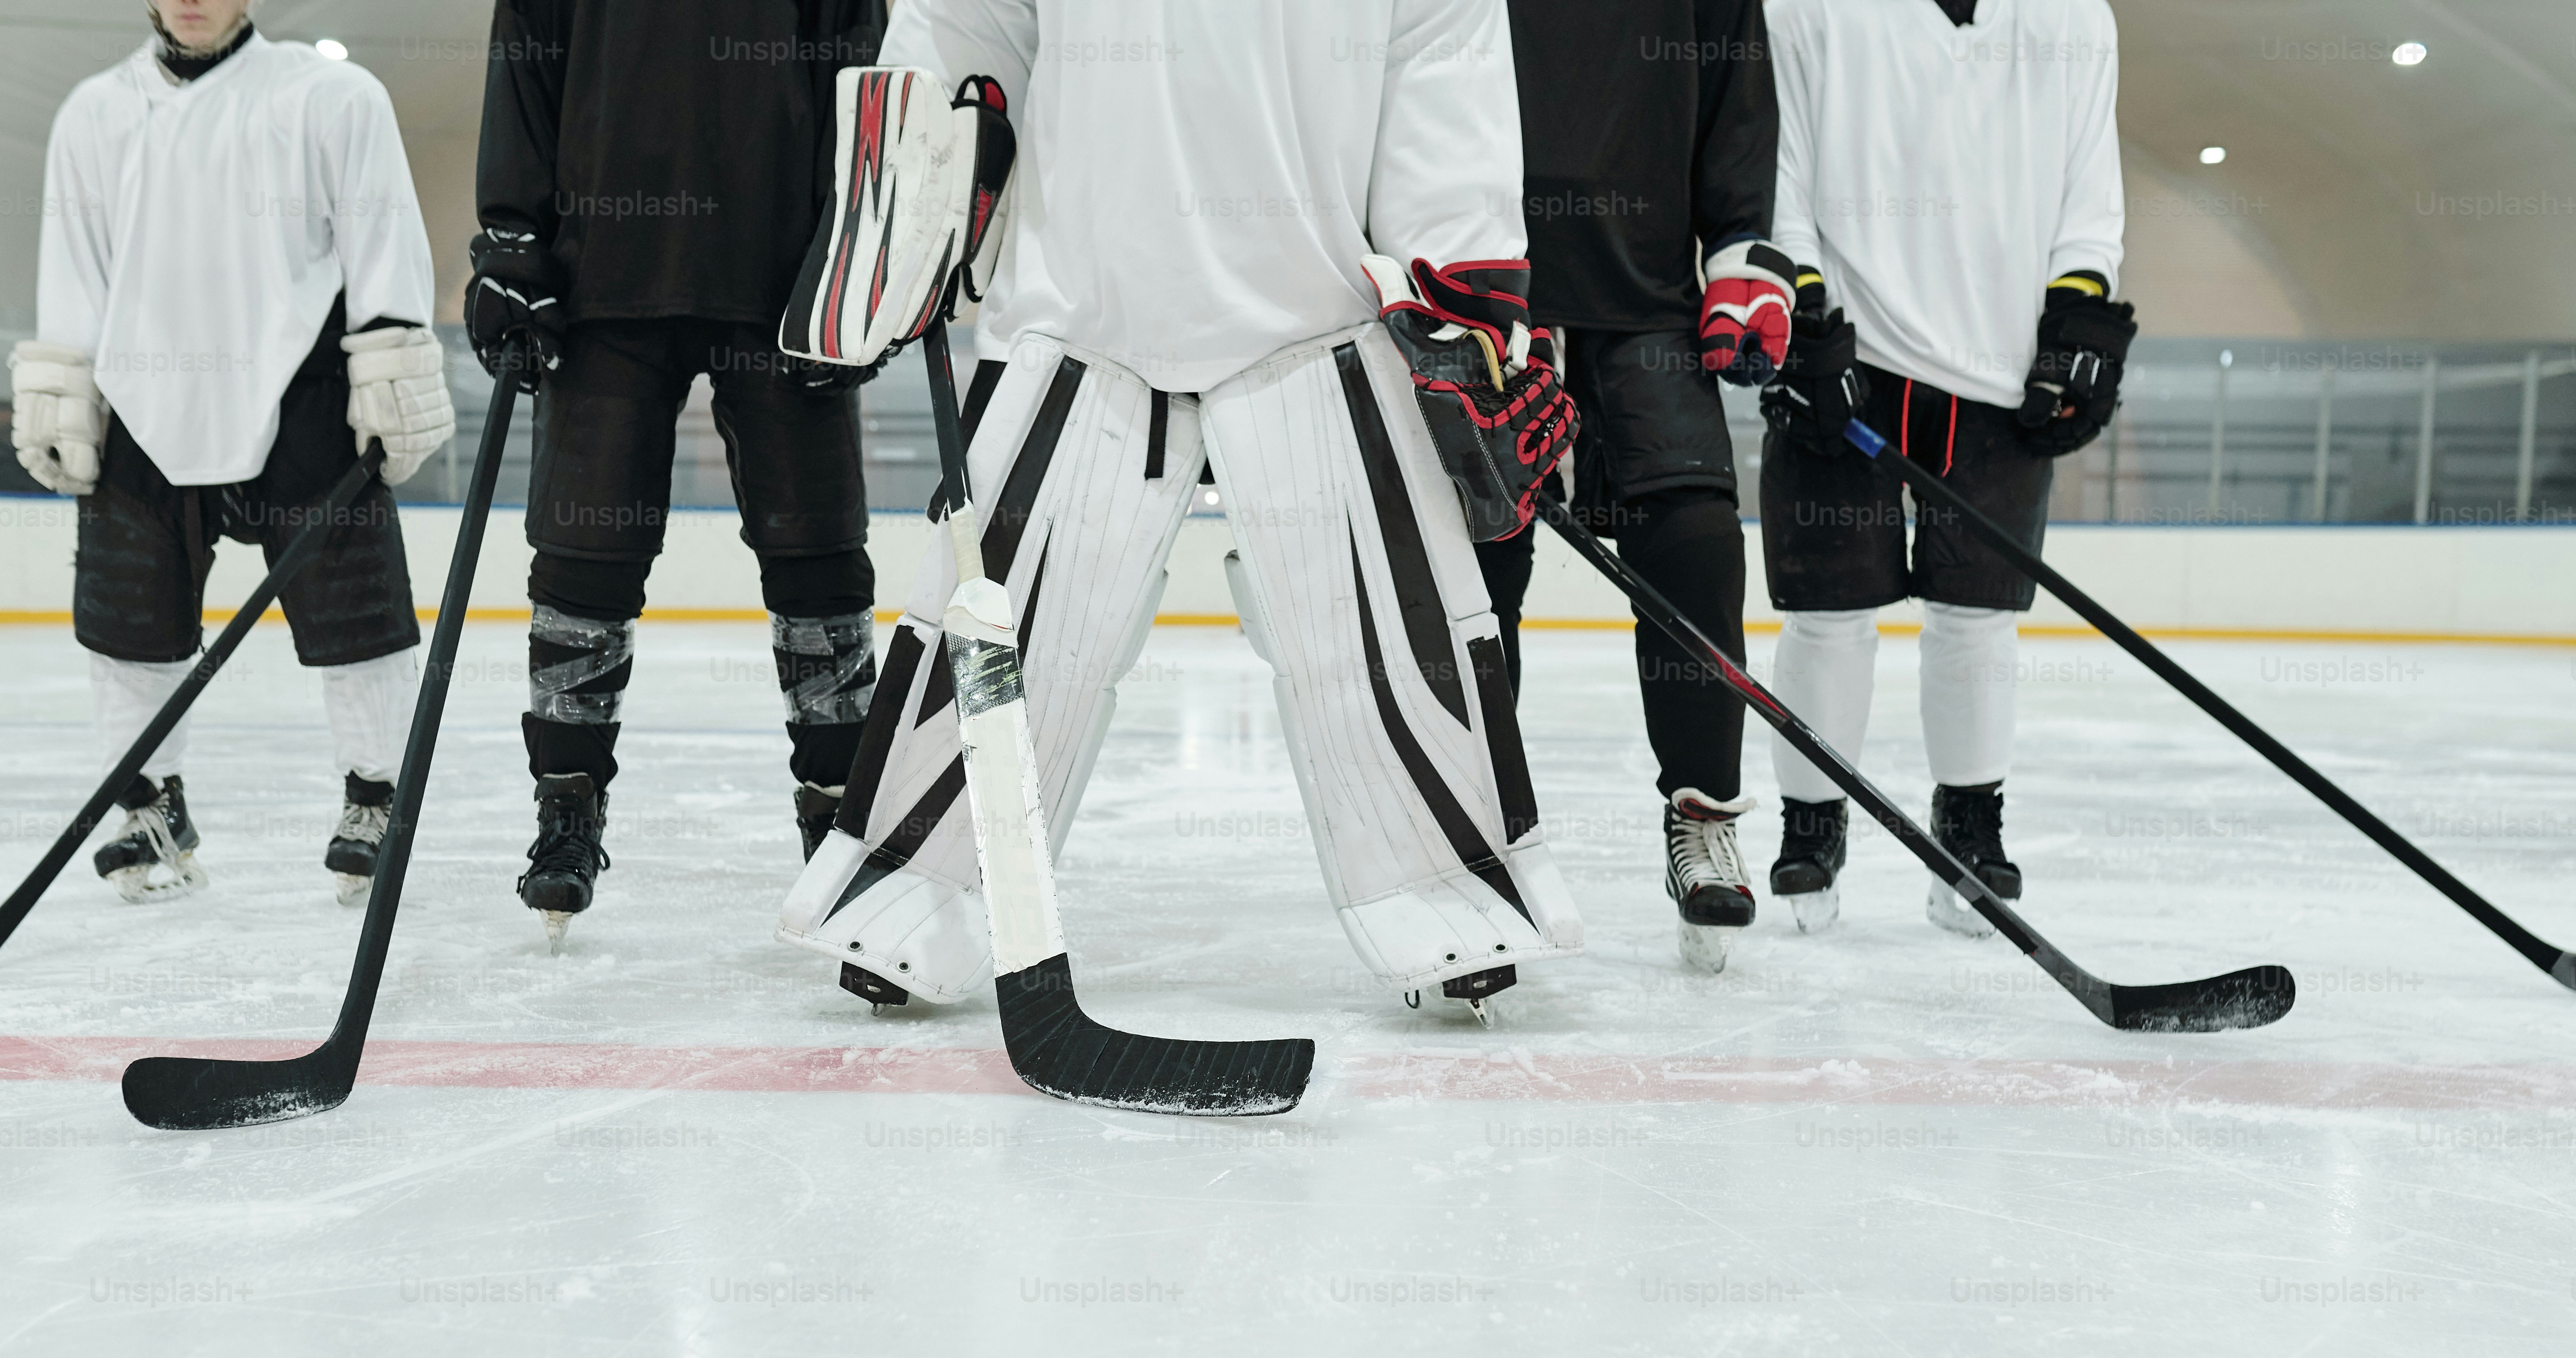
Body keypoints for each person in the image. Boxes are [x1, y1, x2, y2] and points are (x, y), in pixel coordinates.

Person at [777, 0, 1582, 1020]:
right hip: (1083, 305)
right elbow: (965, 23)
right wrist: (922, 180)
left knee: (1375, 623)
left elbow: (1441, 45)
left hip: (1311, 309)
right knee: (1018, 620)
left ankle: (1456, 889)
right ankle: (915, 884)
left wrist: (1461, 304)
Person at [465, 0, 887, 944]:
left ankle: (840, 821)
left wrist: (861, 260)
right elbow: (524, 67)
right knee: (585, 557)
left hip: (789, 285)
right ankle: (567, 807)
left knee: (819, 557)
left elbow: (864, 70)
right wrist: (510, 238)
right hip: (601, 281)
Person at [16, 0, 449, 904]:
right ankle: (146, 803)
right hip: (139, 399)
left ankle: (375, 795)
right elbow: (74, 268)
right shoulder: (94, 113)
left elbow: (384, 244)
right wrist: (69, 394)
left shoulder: (330, 96)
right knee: (129, 624)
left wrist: (390, 366)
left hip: (301, 391)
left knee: (355, 614)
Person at [1755, 0, 2133, 934]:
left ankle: (1967, 829)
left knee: (1979, 620)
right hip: (1849, 352)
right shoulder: (1806, 9)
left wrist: (2079, 314)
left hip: (2002, 373)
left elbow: (2091, 187)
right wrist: (1799, 308)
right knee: (1827, 613)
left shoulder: (2074, 17)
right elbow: (1779, 167)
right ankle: (1814, 827)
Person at [1476, 0, 1791, 973]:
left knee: (1696, 542)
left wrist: (1744, 255)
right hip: (1482, 300)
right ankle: (1469, 837)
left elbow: (1740, 112)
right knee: (1472, 576)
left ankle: (1702, 811)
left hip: (1648, 303)